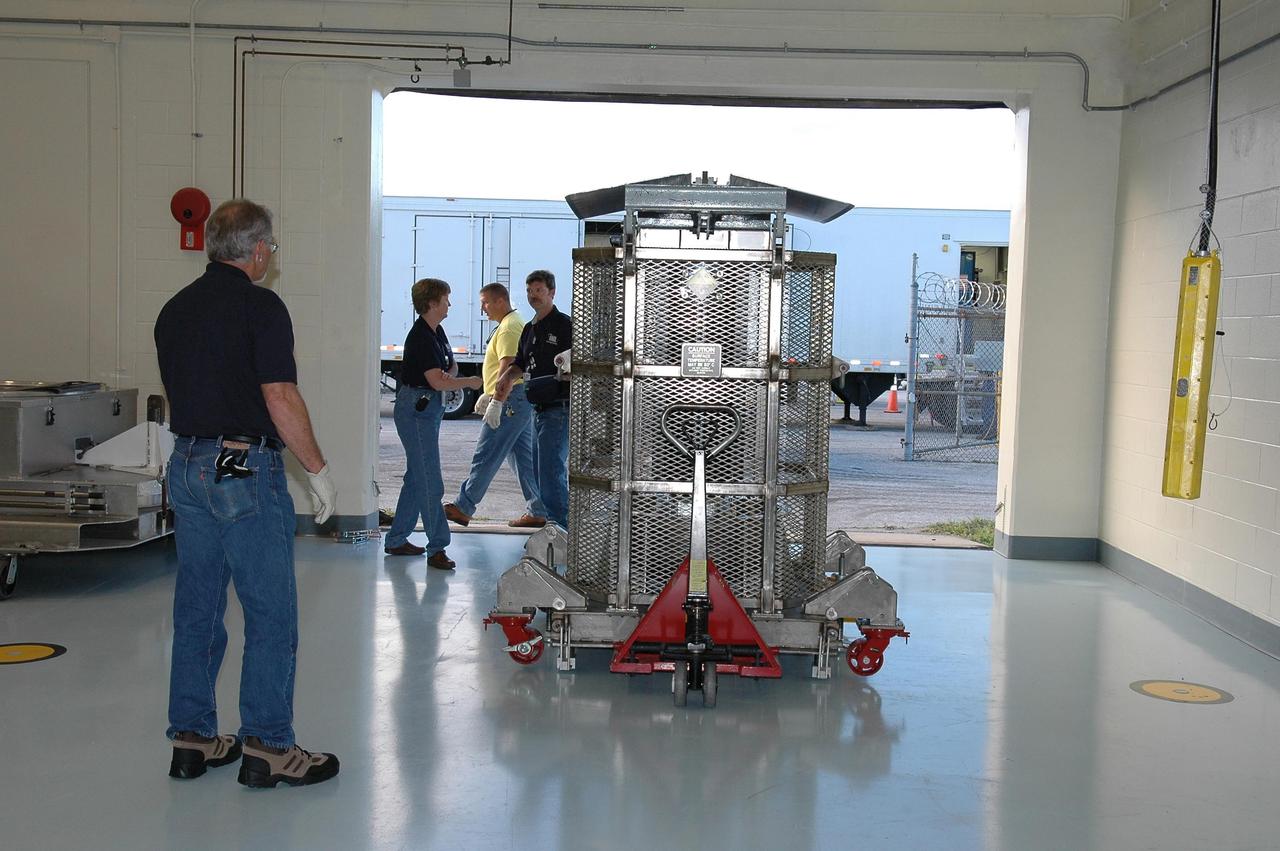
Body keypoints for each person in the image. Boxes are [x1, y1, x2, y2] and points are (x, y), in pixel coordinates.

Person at [154, 198, 339, 788]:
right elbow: (279, 395)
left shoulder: (174, 309)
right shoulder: (262, 306)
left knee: (198, 606)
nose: (270, 258)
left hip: (185, 465)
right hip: (241, 468)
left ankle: (193, 739)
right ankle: (268, 748)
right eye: (271, 249)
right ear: (257, 250)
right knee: (270, 611)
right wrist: (316, 468)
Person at [383, 278, 481, 568]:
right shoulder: (421, 337)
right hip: (416, 411)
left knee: (416, 477)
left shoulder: (435, 332)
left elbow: (448, 366)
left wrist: (449, 376)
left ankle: (397, 539)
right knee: (430, 481)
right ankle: (437, 545)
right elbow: (438, 379)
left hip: (428, 410)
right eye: (446, 299)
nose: (450, 304)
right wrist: (469, 382)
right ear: (432, 303)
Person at [444, 283, 547, 529]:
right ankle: (539, 509)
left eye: (485, 303)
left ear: (501, 301)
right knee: (523, 459)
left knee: (487, 453)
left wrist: (496, 399)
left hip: (510, 398)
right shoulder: (510, 324)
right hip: (516, 398)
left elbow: (509, 367)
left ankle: (464, 507)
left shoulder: (510, 328)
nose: (482, 309)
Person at [496, 270, 572, 530]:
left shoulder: (564, 325)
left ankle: (562, 532)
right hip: (537, 410)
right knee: (540, 474)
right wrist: (506, 378)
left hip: (559, 409)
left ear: (552, 292)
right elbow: (520, 362)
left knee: (551, 473)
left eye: (539, 291)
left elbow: (578, 363)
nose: (533, 296)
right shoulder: (530, 328)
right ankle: (554, 529)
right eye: (529, 291)